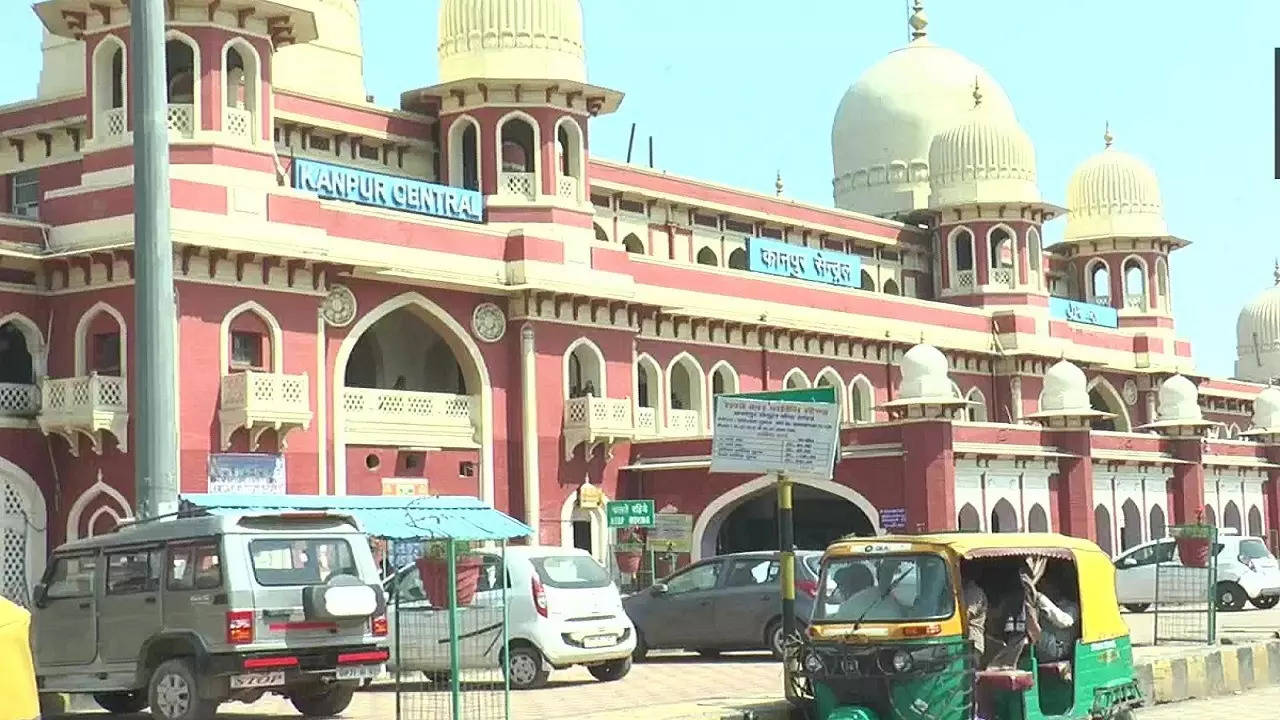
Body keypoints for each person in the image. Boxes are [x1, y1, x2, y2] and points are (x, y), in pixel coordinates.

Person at [1034, 576, 1080, 662]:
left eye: (1047, 586)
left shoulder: (1071, 607)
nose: (1045, 589)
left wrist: (1041, 598)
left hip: (1058, 648)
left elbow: (1064, 621)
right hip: (1043, 648)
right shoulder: (1040, 606)